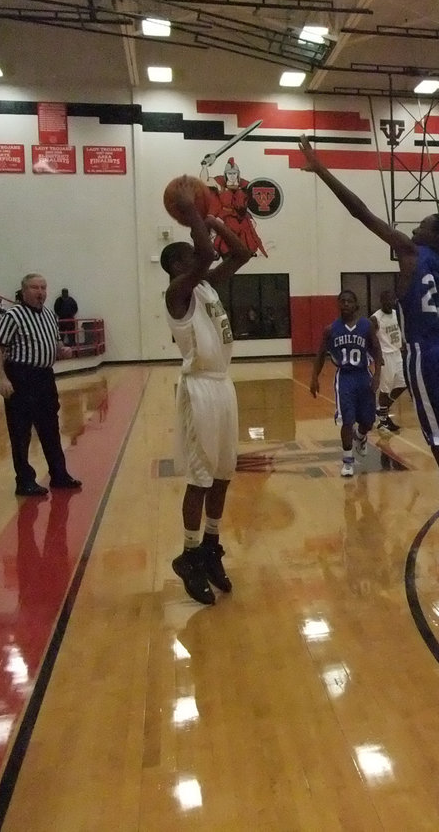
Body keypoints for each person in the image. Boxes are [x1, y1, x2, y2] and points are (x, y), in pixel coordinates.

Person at [298, 134, 439, 566]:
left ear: (433, 236)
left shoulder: (412, 253)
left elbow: (360, 213)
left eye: (422, 225)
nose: (414, 227)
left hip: (424, 354)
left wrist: (323, 170)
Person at [160, 189, 253, 605]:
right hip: (198, 387)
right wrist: (195, 212)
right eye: (193, 257)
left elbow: (241, 254)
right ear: (179, 266)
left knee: (223, 473)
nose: (206, 257)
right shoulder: (178, 293)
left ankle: (211, 547)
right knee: (199, 477)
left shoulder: (208, 289)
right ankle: (189, 553)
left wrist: (216, 222)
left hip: (223, 384)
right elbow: (205, 253)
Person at [0, 274, 83, 496]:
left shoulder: (50, 315)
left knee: (50, 427)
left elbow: (56, 343)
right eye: (34, 287)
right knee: (20, 432)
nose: (40, 292)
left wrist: (63, 350)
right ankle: (24, 480)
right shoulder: (13, 315)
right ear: (23, 291)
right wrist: (2, 378)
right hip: (21, 376)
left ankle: (59, 475)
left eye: (43, 287)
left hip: (44, 377)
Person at [310, 290, 382, 477]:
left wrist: (377, 376)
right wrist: (314, 377)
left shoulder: (366, 326)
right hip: (345, 378)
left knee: (368, 421)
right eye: (342, 301)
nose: (346, 304)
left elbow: (376, 350)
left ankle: (361, 436)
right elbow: (320, 355)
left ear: (356, 305)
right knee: (347, 420)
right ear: (338, 304)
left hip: (364, 375)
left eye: (349, 301)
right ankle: (348, 461)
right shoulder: (331, 330)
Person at [370, 289, 407, 432]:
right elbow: (371, 339)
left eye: (392, 300)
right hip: (385, 356)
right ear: (381, 301)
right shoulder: (375, 318)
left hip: (397, 354)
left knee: (403, 384)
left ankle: (383, 410)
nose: (389, 302)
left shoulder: (397, 314)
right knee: (385, 390)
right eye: (387, 300)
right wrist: (376, 357)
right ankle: (383, 421)